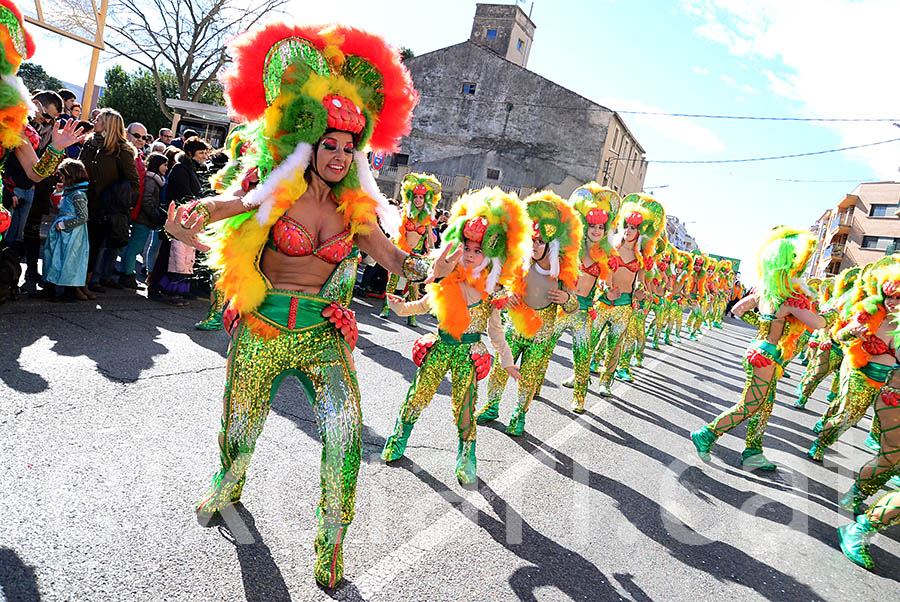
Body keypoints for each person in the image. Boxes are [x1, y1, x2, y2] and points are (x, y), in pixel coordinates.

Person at [162, 23, 447, 588]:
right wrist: (195, 215)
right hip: (263, 330)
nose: (340, 155)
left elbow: (388, 255)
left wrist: (428, 271)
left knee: (345, 433)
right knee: (240, 428)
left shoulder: (356, 211)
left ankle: (331, 541)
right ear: (309, 140)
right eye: (330, 144)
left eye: (350, 146)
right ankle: (230, 476)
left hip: (322, 336)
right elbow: (236, 204)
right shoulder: (276, 186)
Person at [382, 187, 525, 483]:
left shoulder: (491, 293)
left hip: (468, 354)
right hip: (440, 347)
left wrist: (508, 361)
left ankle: (466, 454)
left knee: (464, 408)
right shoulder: (446, 280)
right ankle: (399, 436)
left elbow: (496, 334)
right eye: (467, 249)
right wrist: (399, 309)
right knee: (417, 395)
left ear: (490, 257)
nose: (471, 256)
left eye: (477, 251)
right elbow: (422, 305)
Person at [690, 226, 825, 471]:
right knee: (749, 405)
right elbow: (817, 323)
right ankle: (706, 434)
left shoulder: (766, 292)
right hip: (765, 355)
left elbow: (737, 309)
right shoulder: (788, 299)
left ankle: (753, 451)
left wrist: (764, 324)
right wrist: (835, 312)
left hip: (762, 351)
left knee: (766, 404)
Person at [474, 190, 582, 436]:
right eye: (532, 240)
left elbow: (573, 305)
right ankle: (491, 406)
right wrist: (507, 296)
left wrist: (566, 298)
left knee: (529, 375)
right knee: (502, 367)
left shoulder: (562, 271)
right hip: (515, 326)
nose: (534, 246)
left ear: (551, 245)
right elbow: (498, 290)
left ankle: (519, 415)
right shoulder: (520, 262)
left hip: (542, 334)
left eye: (540, 242)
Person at [809, 256, 900, 462]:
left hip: (889, 383)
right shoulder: (870, 314)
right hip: (861, 373)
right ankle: (820, 442)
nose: (892, 302)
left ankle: (887, 468)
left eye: (898, 298)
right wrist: (853, 334)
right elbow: (838, 335)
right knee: (850, 415)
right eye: (889, 296)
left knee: (890, 425)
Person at [556, 183, 620, 412]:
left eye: (601, 227)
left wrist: (608, 292)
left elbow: (606, 282)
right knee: (544, 347)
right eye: (592, 226)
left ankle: (579, 398)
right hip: (562, 306)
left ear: (605, 230)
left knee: (582, 355)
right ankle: (533, 388)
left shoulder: (607, 255)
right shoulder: (571, 248)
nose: (596, 230)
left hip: (584, 311)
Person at [591, 194, 664, 394]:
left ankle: (606, 382)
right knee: (591, 340)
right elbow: (604, 274)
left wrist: (642, 292)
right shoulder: (611, 249)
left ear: (641, 233)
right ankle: (580, 375)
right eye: (627, 226)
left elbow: (640, 280)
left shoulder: (641, 258)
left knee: (615, 345)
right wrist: (607, 289)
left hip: (624, 304)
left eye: (633, 228)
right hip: (604, 302)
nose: (628, 231)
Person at [78, 108, 140, 294]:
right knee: (78, 245)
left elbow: (134, 183)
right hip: (80, 202)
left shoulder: (122, 150)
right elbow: (79, 168)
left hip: (103, 209)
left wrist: (118, 201)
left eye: (98, 120)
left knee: (94, 246)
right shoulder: (88, 144)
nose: (94, 121)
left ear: (108, 125)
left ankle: (84, 285)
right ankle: (71, 284)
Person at [147, 136, 210, 305]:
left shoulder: (191, 169)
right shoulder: (181, 169)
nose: (205, 156)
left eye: (205, 152)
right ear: (190, 153)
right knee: (169, 255)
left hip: (186, 219)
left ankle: (164, 288)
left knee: (178, 257)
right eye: (201, 152)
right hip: (178, 219)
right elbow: (184, 194)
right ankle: (157, 288)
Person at [380, 172, 439, 326]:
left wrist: (432, 254)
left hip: (417, 255)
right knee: (392, 282)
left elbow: (430, 240)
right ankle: (386, 307)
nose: (418, 199)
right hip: (402, 252)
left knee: (414, 287)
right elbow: (396, 233)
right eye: (416, 196)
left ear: (425, 199)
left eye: (421, 197)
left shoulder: (427, 219)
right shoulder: (405, 214)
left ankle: (411, 316)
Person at [42, 159, 89, 301]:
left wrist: (64, 225)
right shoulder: (69, 192)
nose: (60, 178)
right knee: (53, 257)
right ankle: (50, 288)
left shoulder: (78, 195)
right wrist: (57, 193)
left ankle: (68, 292)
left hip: (72, 234)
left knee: (69, 260)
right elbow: (60, 208)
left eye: (62, 176)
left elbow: (83, 217)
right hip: (62, 232)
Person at [119, 153, 166, 289]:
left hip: (144, 218)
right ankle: (127, 274)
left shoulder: (152, 179)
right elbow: (146, 199)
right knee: (135, 247)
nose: (166, 168)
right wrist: (155, 214)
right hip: (143, 219)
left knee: (133, 246)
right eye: (164, 165)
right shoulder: (152, 180)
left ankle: (126, 273)